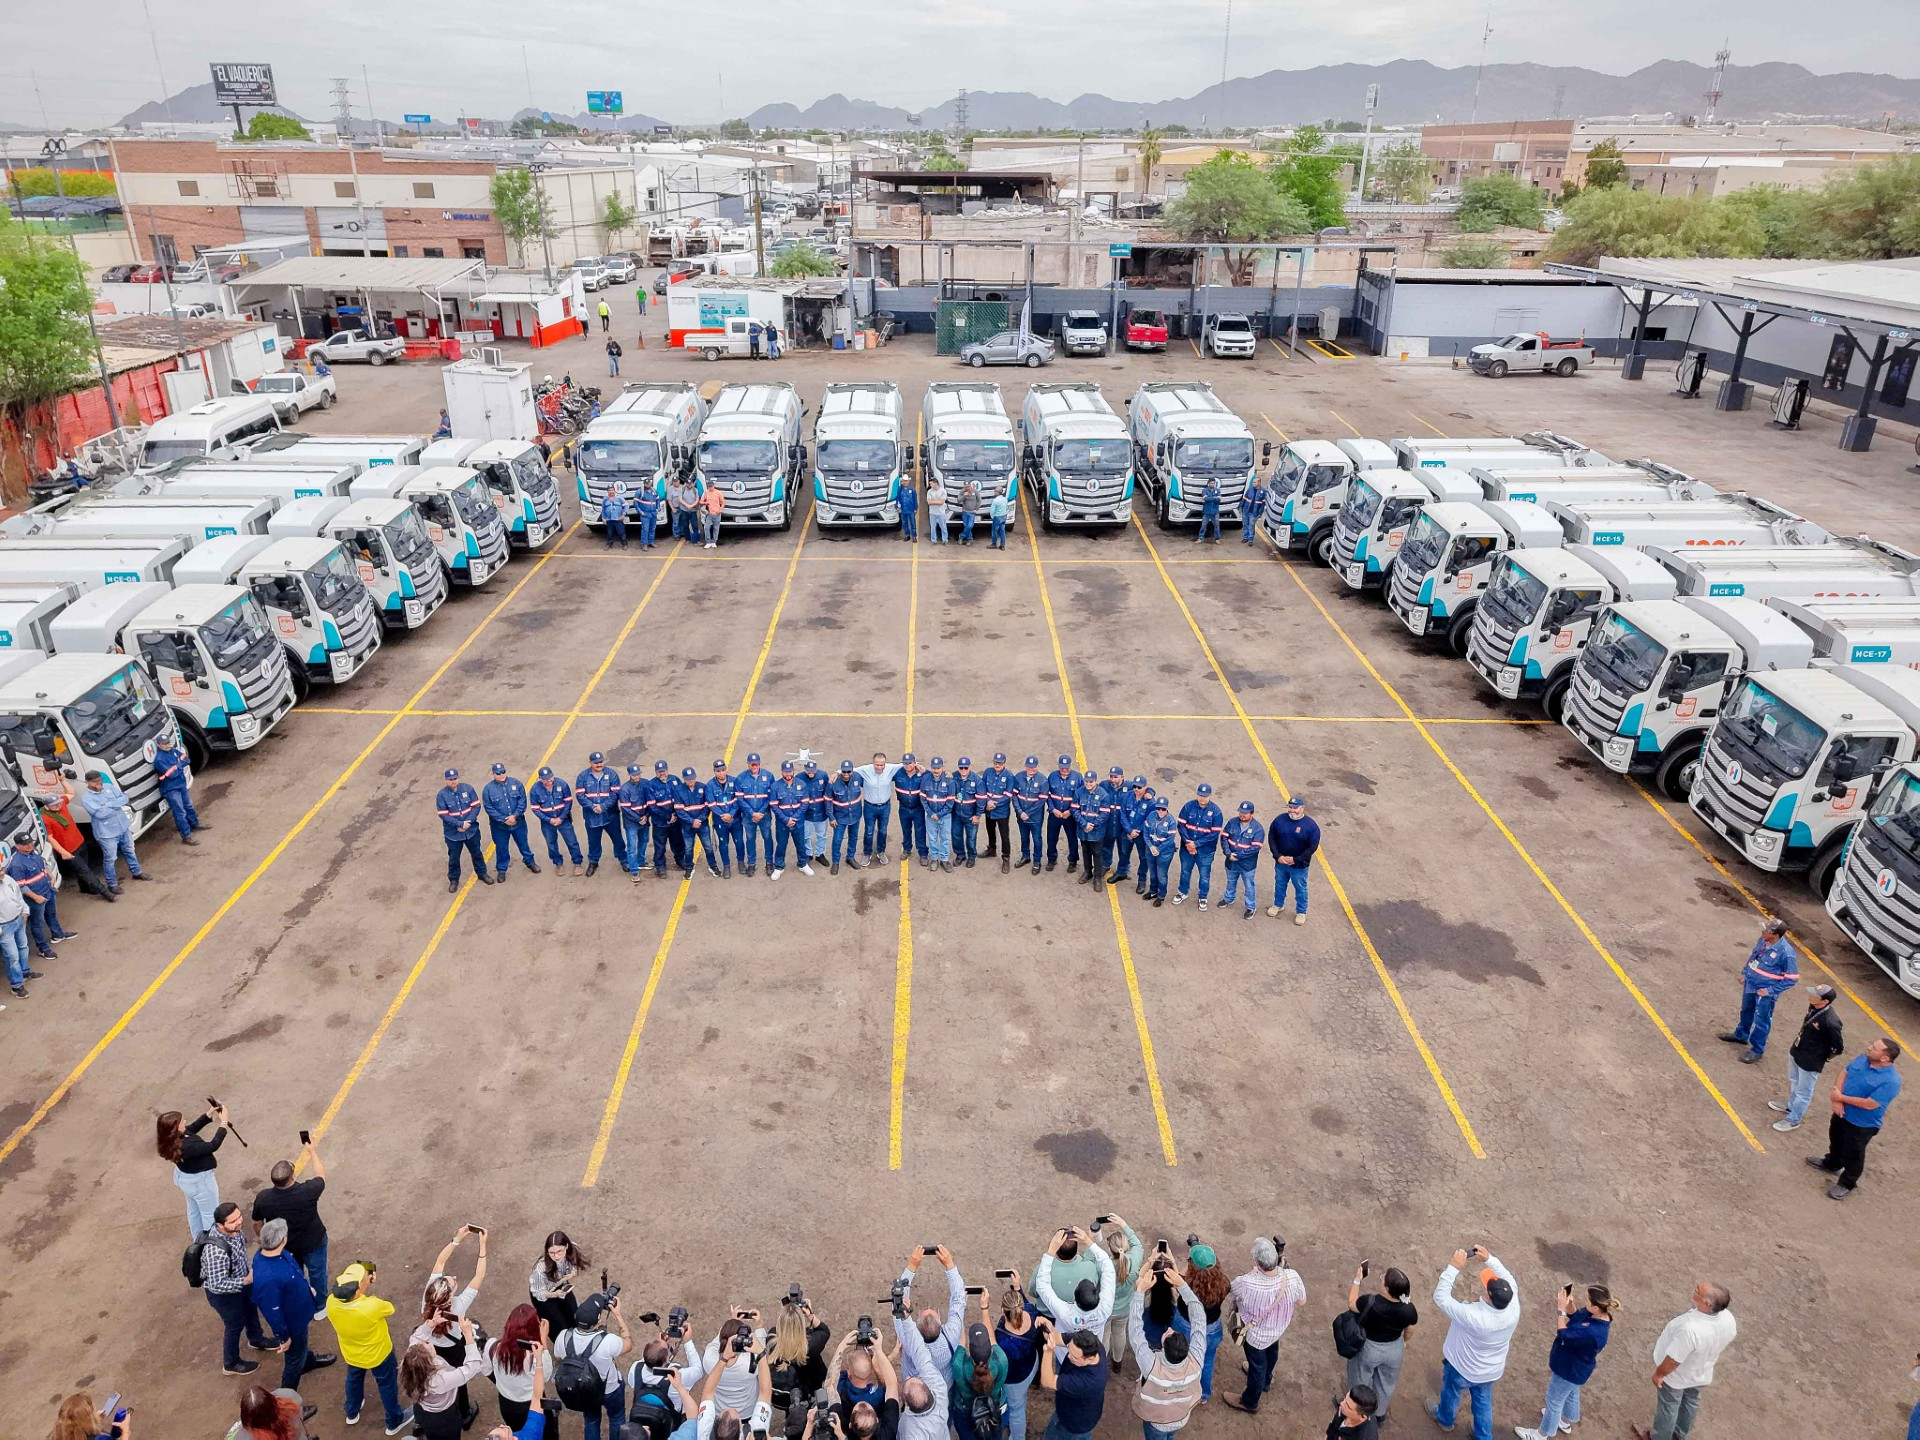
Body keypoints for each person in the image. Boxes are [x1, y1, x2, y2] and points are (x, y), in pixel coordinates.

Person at [1424, 1246, 1519, 1440]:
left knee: (1450, 1392)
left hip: (1462, 1366)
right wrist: (1489, 1259)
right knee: (1483, 1402)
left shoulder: (1473, 1315)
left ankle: (1445, 1420)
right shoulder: (1513, 1306)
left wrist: (1453, 1267)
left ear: (1488, 1296)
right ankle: (1483, 1436)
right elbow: (1508, 1277)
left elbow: (1441, 1297)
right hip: (1490, 1370)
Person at [1631, 1283, 1735, 1440]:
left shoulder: (1690, 1330)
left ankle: (1659, 1438)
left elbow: (1673, 1359)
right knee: (1690, 1402)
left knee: (1668, 1407)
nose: (1695, 1288)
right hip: (1701, 1371)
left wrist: (1659, 1374)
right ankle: (1679, 1435)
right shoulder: (1728, 1319)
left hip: (1676, 1376)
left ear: (1706, 1303)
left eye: (1698, 1290)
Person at [1516, 1283, 1616, 1440]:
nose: (1585, 1302)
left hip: (1568, 1369)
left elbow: (1564, 1335)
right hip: (1577, 1370)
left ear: (1596, 1307)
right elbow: (1576, 1317)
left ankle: (1542, 1434)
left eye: (1587, 1300)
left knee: (1553, 1401)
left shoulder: (1593, 1333)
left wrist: (1561, 1311)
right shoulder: (1597, 1316)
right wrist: (1570, 1305)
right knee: (1571, 1392)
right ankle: (1565, 1420)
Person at [414, 1226, 490, 1431]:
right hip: (454, 1349)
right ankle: (465, 1414)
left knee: (425, 1376)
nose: (454, 1277)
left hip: (431, 1346)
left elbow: (439, 1262)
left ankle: (420, 1419)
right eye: (453, 1282)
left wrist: (456, 1239)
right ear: (448, 1298)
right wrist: (482, 1245)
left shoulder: (429, 1297)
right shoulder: (458, 1306)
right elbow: (479, 1275)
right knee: (458, 1378)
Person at [1809, 1036, 1902, 1198]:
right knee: (1836, 1140)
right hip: (1842, 1112)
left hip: (1861, 1125)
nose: (1869, 1047)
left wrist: (1840, 1098)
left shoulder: (1891, 1081)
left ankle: (1847, 1183)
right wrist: (1837, 1097)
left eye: (1874, 1048)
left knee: (1854, 1154)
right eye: (1872, 1044)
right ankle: (1833, 1163)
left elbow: (1870, 1104)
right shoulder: (1864, 1059)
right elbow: (1845, 1072)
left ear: (1885, 1058)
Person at [254, 1217, 338, 1393]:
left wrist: (307, 1289)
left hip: (300, 1314)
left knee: (300, 1349)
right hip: (292, 1323)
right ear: (283, 1240)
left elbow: (295, 1273)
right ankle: (287, 1400)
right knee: (293, 1362)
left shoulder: (275, 1254)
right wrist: (283, 1337)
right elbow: (272, 1312)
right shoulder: (269, 1278)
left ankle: (306, 1361)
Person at [1221, 1237, 1304, 1415]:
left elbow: (1231, 1290)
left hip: (1256, 1335)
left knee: (1257, 1366)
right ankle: (1267, 1380)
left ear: (1255, 1261)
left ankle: (1249, 1402)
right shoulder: (1292, 1276)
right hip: (1278, 1328)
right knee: (1272, 1352)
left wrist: (1253, 1274)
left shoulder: (1246, 1282)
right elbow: (1301, 1301)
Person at [327, 1262, 412, 1435]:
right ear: (358, 1291)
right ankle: (394, 1422)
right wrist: (368, 1285)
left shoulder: (331, 1303)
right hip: (379, 1354)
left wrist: (364, 1284)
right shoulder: (371, 1306)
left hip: (352, 1353)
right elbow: (390, 1308)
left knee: (353, 1379)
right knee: (387, 1385)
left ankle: (352, 1411)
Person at [1127, 1256, 1207, 1438]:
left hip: (1156, 1421)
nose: (1170, 1329)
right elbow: (1199, 1318)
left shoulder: (1151, 1366)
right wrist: (1182, 1286)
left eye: (1169, 1334)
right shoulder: (1196, 1361)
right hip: (1181, 1417)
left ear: (1163, 1348)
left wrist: (1139, 1292)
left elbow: (1135, 1332)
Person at [251, 1137, 329, 1302]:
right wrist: (312, 1151)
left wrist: (260, 1237)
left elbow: (257, 1222)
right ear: (292, 1176)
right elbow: (321, 1175)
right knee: (318, 1274)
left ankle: (301, 1300)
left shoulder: (264, 1198)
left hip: (286, 1245)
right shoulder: (307, 1191)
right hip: (313, 1241)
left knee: (295, 1274)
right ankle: (320, 1304)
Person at [203, 1201, 272, 1375]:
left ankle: (256, 1339)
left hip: (243, 1281)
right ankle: (231, 1363)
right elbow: (216, 1284)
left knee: (251, 1310)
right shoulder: (215, 1252)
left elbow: (240, 1255)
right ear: (220, 1225)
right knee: (235, 1324)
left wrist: (247, 1277)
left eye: (239, 1217)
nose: (239, 1222)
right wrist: (245, 1281)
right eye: (233, 1221)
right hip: (224, 1295)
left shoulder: (235, 1231)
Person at [1717, 917, 1799, 1063]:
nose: (1763, 931)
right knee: (1746, 1010)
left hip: (1764, 992)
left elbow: (1792, 978)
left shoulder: (1786, 953)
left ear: (1775, 935)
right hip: (1751, 984)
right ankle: (1741, 1034)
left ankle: (1757, 1050)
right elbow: (1754, 957)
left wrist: (1771, 991)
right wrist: (1745, 973)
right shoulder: (1763, 941)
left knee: (1762, 1020)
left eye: (1767, 930)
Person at [1343, 1266, 1415, 1425]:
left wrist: (1357, 1280)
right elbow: (1409, 1329)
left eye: (1383, 1278)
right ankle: (1379, 1414)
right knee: (1385, 1383)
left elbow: (1352, 1304)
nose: (1381, 1278)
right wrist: (1403, 1342)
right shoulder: (1408, 1308)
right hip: (1394, 1349)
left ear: (1387, 1289)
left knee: (1360, 1378)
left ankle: (1358, 1411)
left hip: (1370, 1348)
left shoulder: (1370, 1302)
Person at [558, 1291, 633, 1440]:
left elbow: (558, 1355)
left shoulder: (564, 1336)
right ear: (597, 1322)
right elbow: (628, 1344)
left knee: (591, 1421)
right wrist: (617, 1315)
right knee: (617, 1418)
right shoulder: (608, 1341)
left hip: (585, 1389)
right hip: (610, 1389)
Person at [401, 1315, 489, 1440]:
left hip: (424, 1410)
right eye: (428, 1347)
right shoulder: (440, 1380)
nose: (429, 1344)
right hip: (444, 1418)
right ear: (429, 1362)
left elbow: (416, 1337)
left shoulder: (411, 1362)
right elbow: (472, 1368)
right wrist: (469, 1336)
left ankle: (422, 1430)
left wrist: (430, 1325)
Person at [1771, 982, 1844, 1131]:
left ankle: (1794, 1119)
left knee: (1803, 1092)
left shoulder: (1831, 1022)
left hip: (1811, 1060)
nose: (1811, 996)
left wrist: (1822, 1057)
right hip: (1798, 1051)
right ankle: (1791, 1106)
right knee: (1794, 1082)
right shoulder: (1814, 1007)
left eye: (1815, 995)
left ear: (1825, 1001)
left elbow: (1837, 1047)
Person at [157, 1103, 228, 1237]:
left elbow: (192, 1128)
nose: (185, 1121)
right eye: (181, 1121)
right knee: (210, 1214)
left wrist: (208, 1114)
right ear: (176, 1127)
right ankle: (212, 1243)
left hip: (185, 1179)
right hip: (200, 1182)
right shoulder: (187, 1146)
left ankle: (198, 1240)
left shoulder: (171, 1139)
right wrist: (223, 1123)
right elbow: (212, 1146)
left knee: (194, 1211)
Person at [1034, 1227, 1117, 1339]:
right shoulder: (1105, 1308)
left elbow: (1042, 1286)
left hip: (1066, 1348)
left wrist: (1051, 1250)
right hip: (1094, 1346)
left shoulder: (1065, 1313)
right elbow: (1107, 1266)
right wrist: (1088, 1241)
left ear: (1074, 1298)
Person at [899, 1245, 967, 1379]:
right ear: (941, 1323)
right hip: (945, 1387)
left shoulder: (907, 1339)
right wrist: (949, 1264)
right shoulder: (951, 1335)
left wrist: (911, 1267)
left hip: (913, 1389)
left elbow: (897, 1301)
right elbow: (959, 1300)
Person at [487, 1305, 554, 1431]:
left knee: (517, 1433)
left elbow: (486, 1368)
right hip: (531, 1404)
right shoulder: (535, 1357)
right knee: (543, 1432)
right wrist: (543, 1340)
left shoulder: (497, 1348)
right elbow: (545, 1376)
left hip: (506, 1403)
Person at [1036, 1327, 1107, 1440]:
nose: (1069, 1356)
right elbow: (1061, 1338)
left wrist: (1048, 1351)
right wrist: (1050, 1333)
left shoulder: (1089, 1382)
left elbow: (1047, 1381)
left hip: (1074, 1424)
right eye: (1069, 1349)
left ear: (1089, 1359)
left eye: (1074, 1356)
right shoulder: (1091, 1344)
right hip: (1071, 1410)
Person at [10, 830, 70, 961]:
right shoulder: (16, 864)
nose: (29, 845)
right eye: (25, 844)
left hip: (47, 890)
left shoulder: (33, 853)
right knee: (37, 924)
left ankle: (58, 934)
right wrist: (36, 897)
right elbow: (21, 886)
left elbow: (42, 866)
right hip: (36, 898)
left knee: (51, 914)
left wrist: (50, 875)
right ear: (17, 846)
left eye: (30, 842)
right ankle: (43, 948)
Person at [1181, 1244, 1230, 1403]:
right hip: (1212, 1328)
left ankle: (1183, 1391)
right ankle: (1203, 1394)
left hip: (1186, 1326)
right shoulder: (1224, 1284)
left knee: (1181, 1359)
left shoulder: (1186, 1285)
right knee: (1207, 1361)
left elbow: (1176, 1282)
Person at [994, 1279, 1042, 1440]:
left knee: (1016, 1410)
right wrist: (1018, 1288)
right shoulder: (1031, 1312)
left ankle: (1018, 1437)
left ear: (1003, 1310)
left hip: (1015, 1380)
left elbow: (994, 1350)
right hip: (1031, 1364)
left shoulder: (1002, 1337)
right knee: (1019, 1401)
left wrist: (984, 1310)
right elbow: (1028, 1305)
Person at [80, 772, 145, 889]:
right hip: (107, 834)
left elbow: (125, 798)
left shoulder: (108, 787)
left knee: (130, 850)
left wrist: (108, 804)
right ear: (87, 782)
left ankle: (137, 872)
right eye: (95, 782)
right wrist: (116, 805)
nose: (98, 783)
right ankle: (112, 884)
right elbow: (100, 814)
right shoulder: (86, 798)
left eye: (99, 780)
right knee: (110, 858)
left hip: (123, 826)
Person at [950, 1312, 1007, 1440]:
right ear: (990, 1349)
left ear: (970, 1350)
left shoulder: (958, 1365)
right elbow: (993, 1340)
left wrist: (960, 1310)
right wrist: (984, 1309)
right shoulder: (1001, 1360)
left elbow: (961, 1341)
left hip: (966, 1413)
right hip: (995, 1410)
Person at [436, 768, 493, 894]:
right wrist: (460, 824)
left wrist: (468, 822)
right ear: (446, 781)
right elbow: (444, 815)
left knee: (477, 853)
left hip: (471, 831)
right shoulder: (442, 795)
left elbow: (476, 806)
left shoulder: (468, 789)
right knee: (454, 858)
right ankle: (454, 880)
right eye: (450, 779)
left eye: (455, 779)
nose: (453, 781)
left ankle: (482, 873)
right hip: (453, 834)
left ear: (458, 778)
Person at [1265, 796, 1319, 924]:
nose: (1292, 810)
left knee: (1300, 888)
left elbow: (1312, 847)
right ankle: (1278, 904)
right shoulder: (1279, 820)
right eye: (1290, 807)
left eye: (1295, 808)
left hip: (1299, 866)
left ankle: (1301, 911)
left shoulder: (1311, 826)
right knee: (1280, 884)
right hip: (1281, 863)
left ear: (1302, 808)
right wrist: (1278, 856)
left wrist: (1296, 860)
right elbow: (1272, 837)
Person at [484, 762, 540, 880]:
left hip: (518, 823)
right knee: (501, 848)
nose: (501, 775)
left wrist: (515, 816)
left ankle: (530, 862)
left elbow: (522, 802)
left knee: (523, 844)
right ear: (493, 774)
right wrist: (503, 819)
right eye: (498, 773)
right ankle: (502, 870)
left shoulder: (516, 783)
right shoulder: (488, 789)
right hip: (499, 827)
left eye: (503, 772)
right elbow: (489, 808)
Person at [528, 1231, 587, 1341]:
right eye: (552, 1253)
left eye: (559, 1251)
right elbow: (539, 1293)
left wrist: (571, 1273)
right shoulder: (540, 1270)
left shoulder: (571, 1251)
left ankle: (578, 1337)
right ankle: (564, 1344)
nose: (556, 1256)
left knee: (573, 1312)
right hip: (544, 1295)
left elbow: (573, 1264)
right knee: (558, 1325)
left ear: (566, 1246)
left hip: (560, 1286)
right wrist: (555, 1294)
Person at [576, 752, 626, 878]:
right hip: (591, 817)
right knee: (593, 842)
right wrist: (593, 807)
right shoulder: (582, 777)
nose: (599, 765)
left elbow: (615, 793)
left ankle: (623, 859)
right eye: (596, 763)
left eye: (601, 762)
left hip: (610, 815)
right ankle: (593, 862)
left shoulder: (612, 774)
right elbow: (580, 795)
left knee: (618, 840)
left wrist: (603, 806)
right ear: (590, 763)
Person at [1174, 783, 1222, 910]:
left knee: (1204, 876)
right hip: (1187, 849)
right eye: (1200, 795)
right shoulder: (1188, 807)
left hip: (1205, 852)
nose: (1202, 798)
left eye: (1205, 796)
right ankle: (1182, 892)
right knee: (1185, 871)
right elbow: (1181, 825)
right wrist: (1188, 842)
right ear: (1197, 794)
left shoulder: (1216, 812)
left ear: (1210, 796)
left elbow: (1214, 834)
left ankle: (1203, 897)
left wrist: (1195, 844)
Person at [531, 766, 585, 876]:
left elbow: (568, 802)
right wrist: (549, 819)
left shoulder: (562, 784)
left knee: (572, 841)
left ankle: (577, 863)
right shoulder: (535, 790)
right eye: (545, 779)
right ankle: (558, 864)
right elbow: (535, 808)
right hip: (547, 823)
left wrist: (561, 817)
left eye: (550, 778)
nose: (549, 781)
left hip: (563, 819)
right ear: (540, 779)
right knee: (551, 843)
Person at [150, 737, 206, 844]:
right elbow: (172, 774)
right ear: (159, 745)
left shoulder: (173, 751)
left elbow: (187, 759)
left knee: (189, 806)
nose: (168, 745)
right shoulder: (159, 760)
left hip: (181, 784)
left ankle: (195, 824)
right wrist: (179, 764)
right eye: (164, 744)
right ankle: (186, 836)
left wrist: (177, 766)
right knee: (180, 812)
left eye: (168, 742)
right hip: (171, 789)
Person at [855, 753, 905, 863]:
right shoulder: (865, 769)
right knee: (869, 831)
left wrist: (919, 767)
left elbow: (906, 764)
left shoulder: (890, 768)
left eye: (882, 765)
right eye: (877, 765)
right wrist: (836, 773)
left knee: (883, 830)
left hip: (885, 807)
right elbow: (850, 770)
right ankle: (867, 853)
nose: (879, 767)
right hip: (869, 807)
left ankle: (881, 851)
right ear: (873, 763)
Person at [677, 765, 723, 878]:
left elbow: (707, 806)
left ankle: (713, 866)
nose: (691, 781)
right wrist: (692, 821)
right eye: (688, 779)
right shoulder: (678, 790)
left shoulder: (703, 787)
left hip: (702, 825)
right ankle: (689, 867)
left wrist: (700, 820)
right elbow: (679, 810)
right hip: (687, 826)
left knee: (708, 847)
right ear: (684, 779)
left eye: (692, 778)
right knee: (688, 848)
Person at [769, 759, 813, 879]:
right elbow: (774, 805)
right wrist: (786, 819)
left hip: (798, 822)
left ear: (793, 771)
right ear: (782, 772)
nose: (788, 774)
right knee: (781, 845)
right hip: (782, 823)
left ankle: (803, 864)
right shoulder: (775, 786)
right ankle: (779, 867)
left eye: (790, 771)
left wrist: (794, 818)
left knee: (800, 844)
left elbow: (805, 803)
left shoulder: (801, 785)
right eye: (786, 772)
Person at [1219, 801, 1261, 917]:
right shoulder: (1232, 823)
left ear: (1252, 813)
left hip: (1247, 865)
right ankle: (1228, 899)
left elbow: (1254, 848)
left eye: (1245, 813)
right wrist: (1228, 853)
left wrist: (1237, 856)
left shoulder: (1257, 829)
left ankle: (1251, 907)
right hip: (1231, 862)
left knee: (1249, 886)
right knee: (1231, 881)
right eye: (1241, 812)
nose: (1242, 815)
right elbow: (1224, 838)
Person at [737, 753, 776, 877]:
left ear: (759, 764)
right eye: (752, 764)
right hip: (748, 817)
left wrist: (761, 812)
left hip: (764, 815)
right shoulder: (741, 778)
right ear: (748, 764)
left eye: (756, 764)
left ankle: (769, 863)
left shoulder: (769, 776)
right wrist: (752, 813)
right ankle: (751, 863)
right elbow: (740, 799)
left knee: (767, 838)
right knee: (750, 839)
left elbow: (771, 796)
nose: (754, 766)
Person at [647, 759, 687, 877]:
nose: (662, 773)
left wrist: (676, 814)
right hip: (660, 822)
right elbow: (652, 806)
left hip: (675, 820)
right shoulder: (651, 785)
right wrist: (668, 816)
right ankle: (660, 866)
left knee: (678, 842)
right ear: (655, 772)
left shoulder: (675, 780)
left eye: (663, 771)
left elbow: (682, 797)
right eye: (659, 771)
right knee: (660, 845)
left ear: (667, 770)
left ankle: (680, 860)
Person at [1107, 777, 1149, 890]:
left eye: (1139, 787)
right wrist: (1129, 830)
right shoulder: (1127, 796)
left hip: (1141, 835)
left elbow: (1149, 819)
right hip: (1127, 832)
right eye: (1134, 786)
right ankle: (1121, 872)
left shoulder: (1150, 801)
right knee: (1124, 853)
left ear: (1145, 787)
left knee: (1143, 857)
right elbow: (1123, 814)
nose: (1136, 789)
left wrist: (1137, 831)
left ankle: (1142, 880)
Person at [706, 759, 743, 878]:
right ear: (714, 771)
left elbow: (738, 799)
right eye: (718, 771)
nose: (721, 773)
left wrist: (731, 814)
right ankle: (726, 866)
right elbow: (711, 804)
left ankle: (741, 863)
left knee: (739, 841)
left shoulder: (734, 781)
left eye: (723, 770)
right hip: (720, 821)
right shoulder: (710, 785)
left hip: (735, 819)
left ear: (726, 769)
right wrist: (723, 815)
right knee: (723, 843)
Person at [1075, 769, 1111, 887]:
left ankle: (1097, 877)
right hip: (1083, 830)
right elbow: (1074, 809)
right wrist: (1084, 824)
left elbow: (1104, 813)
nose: (1088, 784)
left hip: (1096, 832)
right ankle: (1087, 872)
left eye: (1091, 782)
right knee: (1085, 851)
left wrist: (1093, 825)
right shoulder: (1079, 792)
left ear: (1096, 781)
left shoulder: (1103, 795)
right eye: (1086, 781)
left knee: (1097, 853)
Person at [0, 864, 31, 1001]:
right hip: (4, 928)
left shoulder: (8, 880)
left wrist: (25, 911)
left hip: (19, 920)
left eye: (1, 869)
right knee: (12, 957)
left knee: (23, 947)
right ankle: (17, 985)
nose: (2, 873)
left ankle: (25, 972)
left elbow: (18, 897)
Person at [1044, 756, 1080, 873]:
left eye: (1066, 768)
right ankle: (1051, 859)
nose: (1064, 770)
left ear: (1070, 766)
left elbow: (1081, 797)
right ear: (1058, 766)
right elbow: (1047, 794)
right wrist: (1053, 809)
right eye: (1062, 767)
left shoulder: (1078, 777)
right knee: (1051, 838)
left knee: (1072, 839)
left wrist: (1070, 811)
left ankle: (1073, 861)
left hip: (1070, 816)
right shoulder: (1052, 776)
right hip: (1055, 814)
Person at [829, 759, 866, 874]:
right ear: (840, 771)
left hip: (855, 815)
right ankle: (835, 862)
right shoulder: (833, 782)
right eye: (844, 772)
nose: (846, 774)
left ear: (852, 771)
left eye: (848, 772)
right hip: (839, 817)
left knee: (853, 837)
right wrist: (831, 817)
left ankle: (850, 857)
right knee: (837, 840)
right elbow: (827, 801)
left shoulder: (858, 778)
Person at [619, 764, 653, 882]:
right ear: (629, 775)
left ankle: (641, 861)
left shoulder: (645, 784)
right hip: (631, 823)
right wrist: (640, 819)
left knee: (644, 841)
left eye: (638, 774)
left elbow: (650, 802)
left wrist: (646, 816)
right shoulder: (625, 789)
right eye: (634, 775)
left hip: (644, 819)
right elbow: (626, 809)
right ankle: (634, 870)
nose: (637, 777)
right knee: (632, 847)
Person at [1012, 756, 1046, 873]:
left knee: (1037, 839)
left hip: (1035, 818)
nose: (1031, 769)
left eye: (1033, 767)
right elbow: (1014, 796)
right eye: (1029, 767)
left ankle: (1037, 861)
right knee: (1024, 837)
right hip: (1021, 816)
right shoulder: (1018, 777)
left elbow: (1041, 802)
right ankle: (1025, 856)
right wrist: (1020, 812)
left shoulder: (1043, 781)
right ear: (1025, 766)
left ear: (1037, 766)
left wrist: (1028, 813)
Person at [894, 754, 929, 866]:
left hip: (918, 808)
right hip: (903, 808)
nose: (907, 765)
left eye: (910, 763)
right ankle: (906, 849)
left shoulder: (922, 773)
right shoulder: (897, 773)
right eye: (905, 763)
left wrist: (947, 773)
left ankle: (923, 853)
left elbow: (935, 775)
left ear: (915, 763)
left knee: (920, 831)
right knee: (906, 830)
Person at [1143, 797, 1177, 906]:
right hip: (1151, 849)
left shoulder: (1171, 821)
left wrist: (1158, 849)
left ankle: (1161, 896)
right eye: (1158, 808)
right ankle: (1153, 891)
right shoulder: (1151, 816)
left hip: (1164, 852)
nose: (1160, 811)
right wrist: (1151, 846)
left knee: (1161, 875)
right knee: (1152, 872)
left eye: (1163, 809)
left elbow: (1170, 840)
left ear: (1167, 808)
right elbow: (1146, 833)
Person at [923, 758, 956, 872]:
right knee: (932, 838)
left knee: (945, 838)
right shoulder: (926, 779)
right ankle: (934, 859)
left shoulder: (949, 781)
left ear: (943, 767)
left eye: (938, 768)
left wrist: (939, 814)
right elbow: (923, 798)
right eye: (934, 768)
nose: (936, 770)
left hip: (945, 816)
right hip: (930, 816)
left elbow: (950, 802)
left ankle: (944, 859)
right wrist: (931, 813)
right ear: (931, 767)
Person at [801, 758, 832, 868]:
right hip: (807, 814)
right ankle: (808, 854)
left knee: (822, 835)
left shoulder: (823, 776)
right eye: (808, 770)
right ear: (804, 769)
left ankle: (820, 854)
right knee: (806, 836)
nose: (811, 772)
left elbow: (828, 792)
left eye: (813, 770)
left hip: (821, 812)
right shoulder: (799, 778)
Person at [952, 758, 981, 868]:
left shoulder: (977, 781)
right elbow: (938, 775)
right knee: (956, 836)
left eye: (966, 768)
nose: (963, 770)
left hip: (971, 816)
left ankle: (971, 856)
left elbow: (981, 800)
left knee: (971, 838)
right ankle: (960, 855)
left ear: (970, 767)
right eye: (961, 768)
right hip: (956, 814)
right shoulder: (953, 777)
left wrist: (977, 815)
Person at [1241, 473, 1264, 545]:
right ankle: (1245, 537)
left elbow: (1263, 504)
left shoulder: (1263, 491)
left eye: (1254, 482)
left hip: (1254, 513)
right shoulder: (1250, 489)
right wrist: (1241, 507)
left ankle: (1250, 540)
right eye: (1253, 482)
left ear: (1259, 483)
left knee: (1251, 525)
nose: (1253, 483)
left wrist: (1260, 513)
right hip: (1246, 510)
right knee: (1245, 524)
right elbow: (1244, 498)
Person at [700, 483, 725, 549]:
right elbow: (701, 501)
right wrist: (705, 503)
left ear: (713, 486)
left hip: (717, 513)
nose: (710, 488)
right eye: (709, 487)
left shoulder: (718, 493)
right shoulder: (706, 493)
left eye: (711, 486)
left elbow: (723, 502)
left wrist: (720, 509)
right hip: (709, 514)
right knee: (706, 528)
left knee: (716, 529)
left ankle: (714, 542)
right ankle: (708, 542)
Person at [1196, 479, 1221, 544]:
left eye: (1213, 483)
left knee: (1216, 526)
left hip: (1215, 512)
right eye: (1211, 483)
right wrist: (1214, 497)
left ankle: (1217, 539)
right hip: (1206, 512)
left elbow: (1218, 500)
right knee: (1203, 526)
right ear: (1208, 483)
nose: (1212, 484)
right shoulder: (1204, 490)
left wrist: (1210, 498)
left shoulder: (1217, 490)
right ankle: (1200, 538)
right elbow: (1205, 499)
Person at [959, 478, 982, 545]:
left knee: (970, 526)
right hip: (965, 511)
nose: (967, 488)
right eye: (966, 487)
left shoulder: (975, 491)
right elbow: (958, 500)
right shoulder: (962, 491)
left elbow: (979, 500)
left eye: (968, 486)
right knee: (966, 525)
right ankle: (970, 539)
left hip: (972, 512)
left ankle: (961, 536)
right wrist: (964, 495)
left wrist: (976, 509)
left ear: (970, 485)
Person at [898, 476, 919, 543]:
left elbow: (915, 499)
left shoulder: (912, 489)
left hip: (911, 509)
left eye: (906, 481)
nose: (905, 482)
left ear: (908, 481)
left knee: (913, 523)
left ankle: (914, 536)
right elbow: (898, 499)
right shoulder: (900, 489)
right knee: (904, 523)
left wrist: (915, 508)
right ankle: (907, 535)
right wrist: (898, 507)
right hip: (903, 509)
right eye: (904, 481)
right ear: (902, 481)